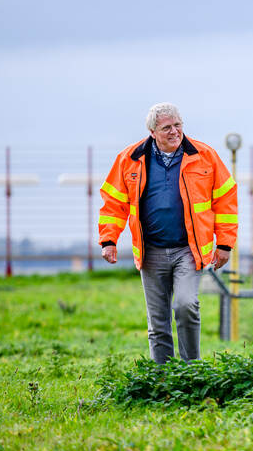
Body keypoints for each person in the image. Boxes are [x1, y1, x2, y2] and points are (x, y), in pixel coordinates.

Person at [98, 103, 238, 363]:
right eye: (166, 128)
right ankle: (162, 380)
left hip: (189, 249)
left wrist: (225, 244)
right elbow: (113, 203)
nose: (175, 132)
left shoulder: (205, 156)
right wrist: (109, 239)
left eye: (178, 125)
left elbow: (226, 201)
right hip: (151, 251)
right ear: (152, 132)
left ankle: (190, 370)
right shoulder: (129, 159)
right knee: (158, 321)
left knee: (186, 305)